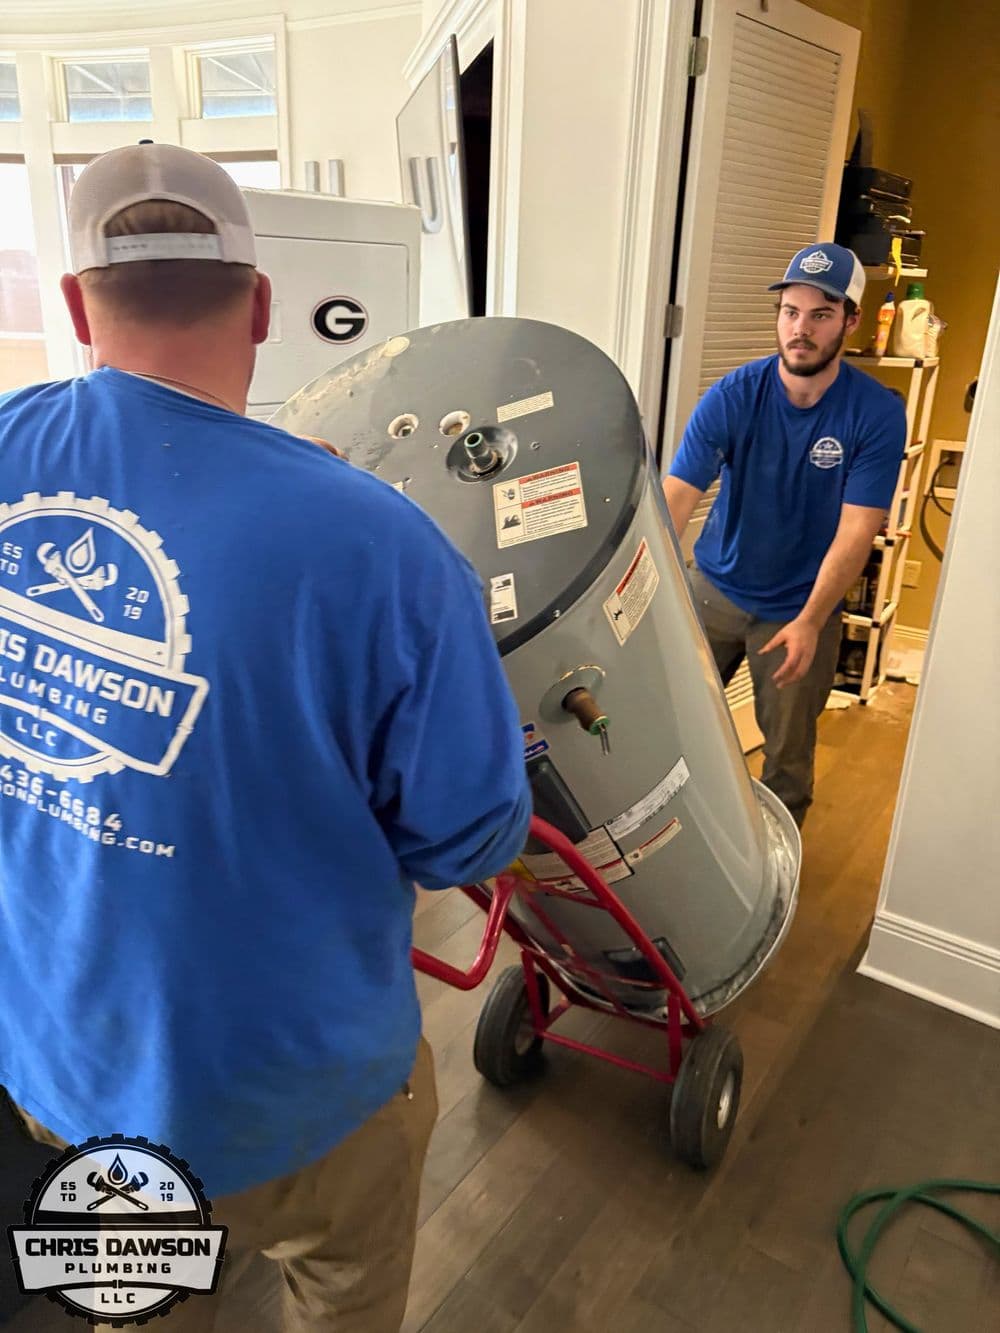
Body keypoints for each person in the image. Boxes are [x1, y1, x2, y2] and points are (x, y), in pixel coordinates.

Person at [0, 143, 532, 1331]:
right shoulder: (383, 550)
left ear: (78, 305)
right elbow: (467, 841)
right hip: (308, 1096)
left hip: (67, 1074)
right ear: (262, 303)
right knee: (338, 1297)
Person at [663, 244, 907, 827]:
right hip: (713, 592)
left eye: (821, 315)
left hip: (801, 609)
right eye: (790, 312)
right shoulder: (733, 395)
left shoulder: (874, 413)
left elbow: (857, 530)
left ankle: (777, 883)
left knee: (788, 762)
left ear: (850, 321)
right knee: (672, 727)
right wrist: (654, 594)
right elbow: (674, 498)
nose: (800, 329)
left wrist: (811, 619)